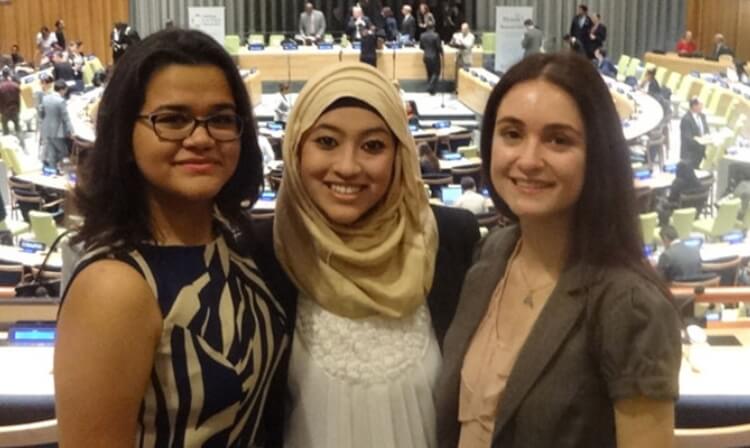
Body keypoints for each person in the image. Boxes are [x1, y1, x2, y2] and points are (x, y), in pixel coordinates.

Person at [54, 28, 291, 447]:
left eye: (220, 119)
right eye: (173, 119)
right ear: (126, 135)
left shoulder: (232, 245)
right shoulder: (114, 287)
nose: (200, 138)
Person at [436, 52, 681, 447]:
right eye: (512, 134)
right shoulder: (491, 254)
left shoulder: (630, 305)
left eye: (558, 139)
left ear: (597, 154)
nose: (529, 160)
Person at [259, 60, 479, 447]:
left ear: (399, 153)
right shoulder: (261, 253)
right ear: (295, 148)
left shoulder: (451, 240)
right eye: (326, 141)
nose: (347, 167)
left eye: (373, 146)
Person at [40, 80, 72, 170]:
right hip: (57, 129)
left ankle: (52, 168)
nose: (65, 92)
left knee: (52, 152)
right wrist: (71, 131)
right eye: (65, 90)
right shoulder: (61, 101)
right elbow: (66, 118)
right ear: (62, 90)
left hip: (46, 128)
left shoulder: (45, 98)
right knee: (64, 151)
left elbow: (41, 113)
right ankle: (50, 164)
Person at [680, 97, 710, 169]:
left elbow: (706, 130)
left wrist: (707, 137)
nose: (702, 107)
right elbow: (687, 138)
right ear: (694, 106)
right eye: (700, 105)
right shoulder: (686, 119)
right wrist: (700, 141)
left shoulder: (702, 116)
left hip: (701, 151)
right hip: (690, 153)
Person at [0, 67, 24, 149]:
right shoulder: (15, 85)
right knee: (18, 127)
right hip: (15, 110)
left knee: (5, 130)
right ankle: (22, 146)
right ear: (9, 74)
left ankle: (9, 148)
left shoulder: (0, 87)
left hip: (4, 111)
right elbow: (19, 95)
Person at [420, 24, 443, 95]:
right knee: (436, 72)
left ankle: (432, 91)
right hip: (434, 57)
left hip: (426, 56)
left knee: (429, 73)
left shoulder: (422, 35)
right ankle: (430, 86)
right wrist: (441, 52)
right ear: (433, 28)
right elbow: (438, 46)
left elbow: (421, 47)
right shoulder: (436, 35)